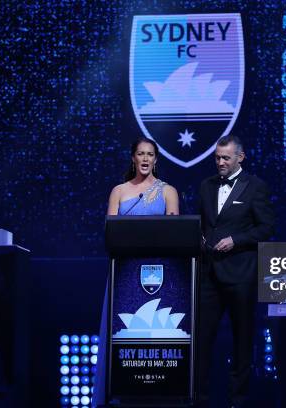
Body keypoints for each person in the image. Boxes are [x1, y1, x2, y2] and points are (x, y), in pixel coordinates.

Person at [93, 136, 179, 407]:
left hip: (158, 275)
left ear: (156, 159)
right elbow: (111, 232)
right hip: (124, 274)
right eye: (140, 154)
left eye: (150, 154)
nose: (145, 159)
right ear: (133, 157)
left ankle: (160, 390)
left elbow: (174, 234)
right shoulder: (119, 191)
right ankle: (121, 387)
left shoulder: (168, 192)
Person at [197, 135, 274, 408]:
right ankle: (201, 400)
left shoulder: (255, 187)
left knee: (242, 342)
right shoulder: (206, 186)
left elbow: (266, 228)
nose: (220, 162)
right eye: (217, 158)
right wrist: (201, 240)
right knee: (202, 341)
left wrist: (235, 240)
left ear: (240, 157)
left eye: (225, 158)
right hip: (209, 277)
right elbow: (203, 223)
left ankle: (237, 401)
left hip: (241, 275)